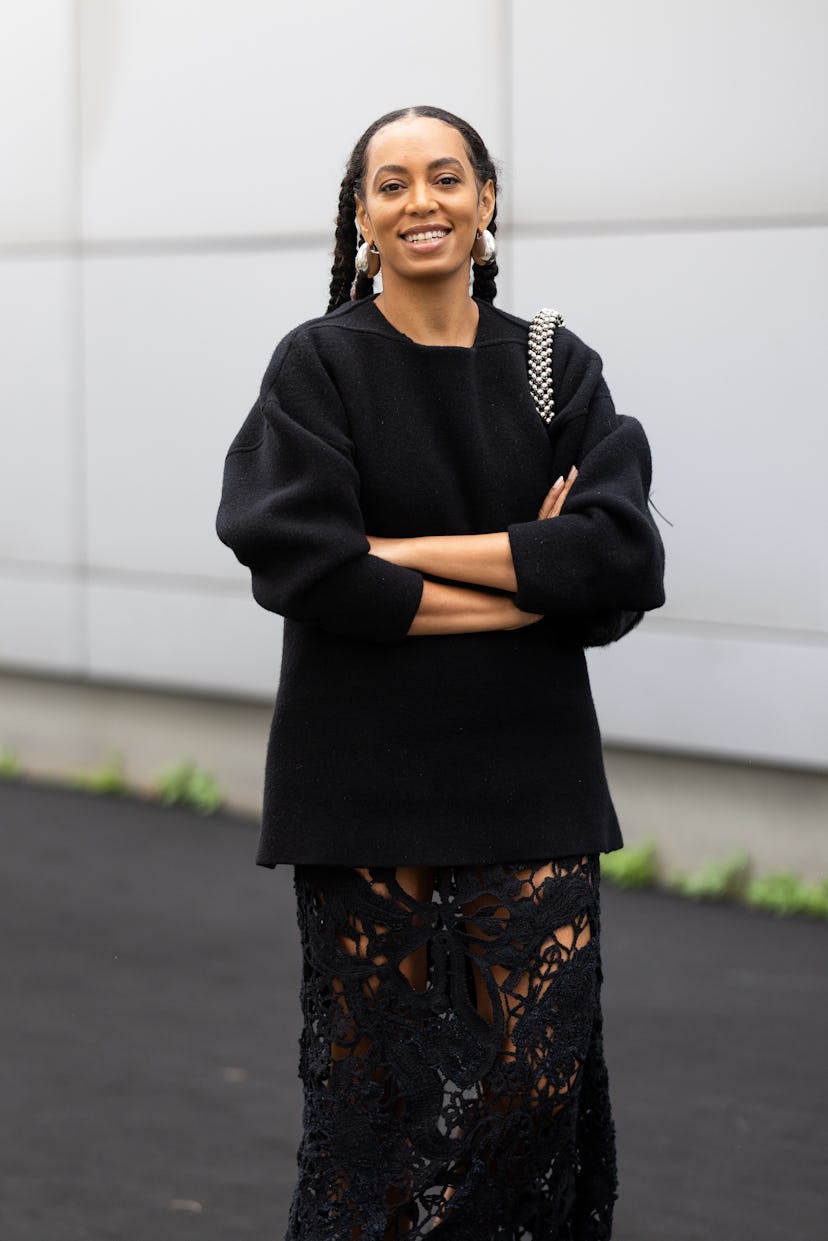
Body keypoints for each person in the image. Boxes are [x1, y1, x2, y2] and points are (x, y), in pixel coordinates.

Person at [216, 104, 665, 1241]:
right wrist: (526, 576)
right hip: (366, 774)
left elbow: (618, 558)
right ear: (361, 216)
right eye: (394, 183)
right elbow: (298, 554)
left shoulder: (555, 363)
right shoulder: (317, 363)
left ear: (487, 200)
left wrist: (398, 552)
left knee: (534, 1083)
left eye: (448, 176)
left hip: (530, 767)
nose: (424, 200)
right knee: (382, 1105)